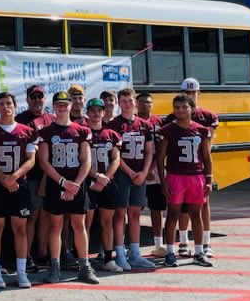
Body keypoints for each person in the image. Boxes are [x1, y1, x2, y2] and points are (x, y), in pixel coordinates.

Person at [36, 92, 99, 284]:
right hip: (57, 183)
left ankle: (84, 266)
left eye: (65, 104)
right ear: (53, 107)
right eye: (59, 105)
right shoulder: (46, 132)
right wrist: (63, 183)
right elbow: (44, 161)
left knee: (79, 225)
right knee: (55, 225)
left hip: (77, 183)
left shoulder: (81, 131)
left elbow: (86, 160)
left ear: (71, 106)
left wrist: (76, 185)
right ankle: (55, 267)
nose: (62, 108)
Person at [0, 92, 37, 289]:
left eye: (9, 103)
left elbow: (31, 160)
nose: (6, 107)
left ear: (15, 106)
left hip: (19, 185)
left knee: (20, 229)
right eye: (2, 104)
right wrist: (3, 178)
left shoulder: (26, 131)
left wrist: (14, 176)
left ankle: (21, 272)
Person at [163, 78, 219, 258]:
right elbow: (161, 155)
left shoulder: (206, 118)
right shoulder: (172, 121)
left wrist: (208, 176)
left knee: (202, 206)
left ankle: (205, 244)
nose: (189, 95)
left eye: (192, 92)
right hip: (178, 172)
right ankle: (183, 241)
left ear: (198, 93)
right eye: (186, 92)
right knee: (179, 210)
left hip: (197, 169)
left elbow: (207, 147)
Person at [106, 88, 158, 270]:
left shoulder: (145, 125)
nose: (127, 103)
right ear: (119, 103)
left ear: (135, 102)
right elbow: (115, 154)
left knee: (135, 213)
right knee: (120, 213)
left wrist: (144, 172)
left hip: (140, 174)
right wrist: (129, 172)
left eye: (130, 100)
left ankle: (135, 252)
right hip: (122, 174)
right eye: (124, 100)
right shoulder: (114, 125)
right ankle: (120, 253)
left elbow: (150, 151)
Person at [15, 84, 54, 269]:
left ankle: (43, 253)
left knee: (46, 216)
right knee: (31, 216)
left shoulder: (51, 119)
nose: (37, 100)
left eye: (40, 96)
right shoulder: (21, 120)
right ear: (27, 99)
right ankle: (27, 255)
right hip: (30, 175)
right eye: (34, 96)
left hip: (50, 174)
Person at [83, 99, 123, 272]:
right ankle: (83, 260)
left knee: (107, 222)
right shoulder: (82, 133)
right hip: (88, 182)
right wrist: (96, 176)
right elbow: (81, 160)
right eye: (92, 110)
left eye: (99, 110)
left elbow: (116, 159)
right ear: (87, 112)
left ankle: (108, 259)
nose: (96, 113)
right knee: (86, 223)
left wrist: (105, 177)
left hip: (106, 182)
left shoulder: (111, 134)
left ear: (104, 112)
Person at [136, 92, 168, 256]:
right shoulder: (132, 122)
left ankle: (158, 244)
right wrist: (143, 170)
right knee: (133, 209)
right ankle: (133, 246)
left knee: (157, 208)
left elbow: (162, 149)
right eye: (141, 102)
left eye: (148, 102)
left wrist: (150, 168)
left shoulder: (160, 122)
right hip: (136, 172)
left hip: (156, 173)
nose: (144, 105)